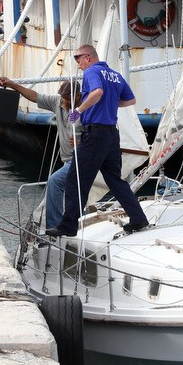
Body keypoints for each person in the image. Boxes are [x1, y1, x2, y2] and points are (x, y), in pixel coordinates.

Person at [45, 45, 149, 237]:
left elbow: (98, 92)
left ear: (88, 57)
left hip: (95, 134)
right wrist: (109, 103)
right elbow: (130, 100)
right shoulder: (115, 75)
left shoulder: (92, 71)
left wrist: (79, 110)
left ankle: (68, 226)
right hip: (111, 135)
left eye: (78, 59)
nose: (78, 64)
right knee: (115, 180)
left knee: (76, 178)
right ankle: (138, 218)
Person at [1, 77, 83, 229]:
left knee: (54, 182)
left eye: (67, 98)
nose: (64, 101)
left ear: (78, 96)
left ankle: (54, 228)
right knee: (70, 193)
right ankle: (69, 222)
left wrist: (82, 142)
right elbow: (34, 96)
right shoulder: (58, 102)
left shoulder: (87, 108)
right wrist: (12, 84)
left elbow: (98, 135)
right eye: (63, 97)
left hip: (81, 159)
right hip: (67, 160)